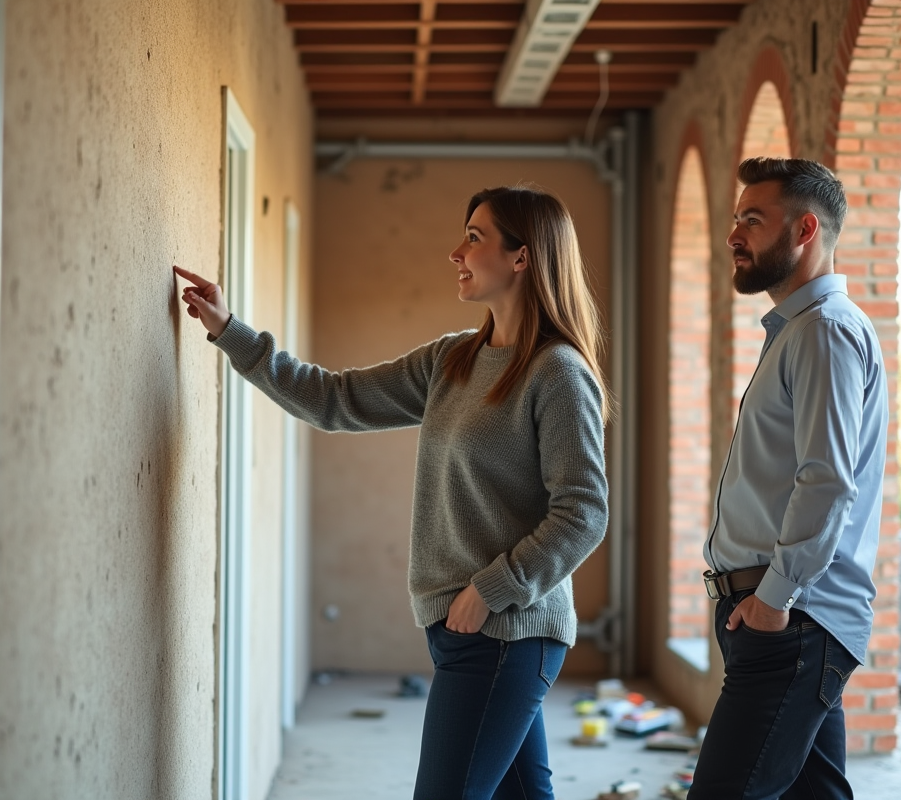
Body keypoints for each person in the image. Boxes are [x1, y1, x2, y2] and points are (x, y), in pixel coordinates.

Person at [175, 184, 610, 800]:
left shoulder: (558, 373)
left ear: (523, 257)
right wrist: (229, 330)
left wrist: (488, 592)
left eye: (475, 237)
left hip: (508, 634)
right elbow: (334, 398)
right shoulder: (453, 360)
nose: (455, 252)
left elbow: (584, 513)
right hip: (467, 630)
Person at [688, 158, 888, 800]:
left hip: (792, 620)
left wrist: (774, 599)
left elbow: (825, 480)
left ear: (805, 229)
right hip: (786, 618)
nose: (734, 235)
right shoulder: (801, 331)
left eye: (753, 219)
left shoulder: (824, 331)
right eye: (736, 219)